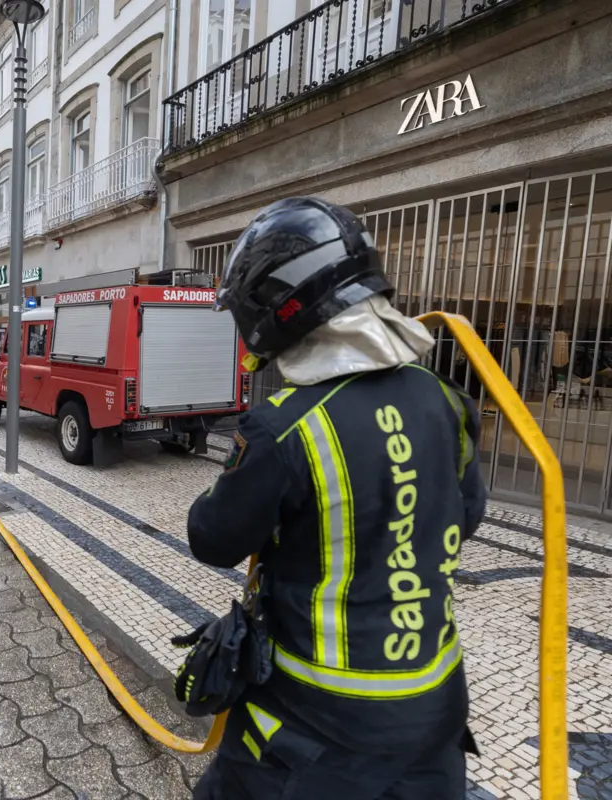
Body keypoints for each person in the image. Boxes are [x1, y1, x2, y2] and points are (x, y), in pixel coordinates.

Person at [186, 197, 486, 799]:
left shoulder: (285, 426)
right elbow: (468, 514)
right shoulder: (445, 398)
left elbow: (213, 539)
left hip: (315, 725)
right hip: (434, 709)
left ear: (280, 308)